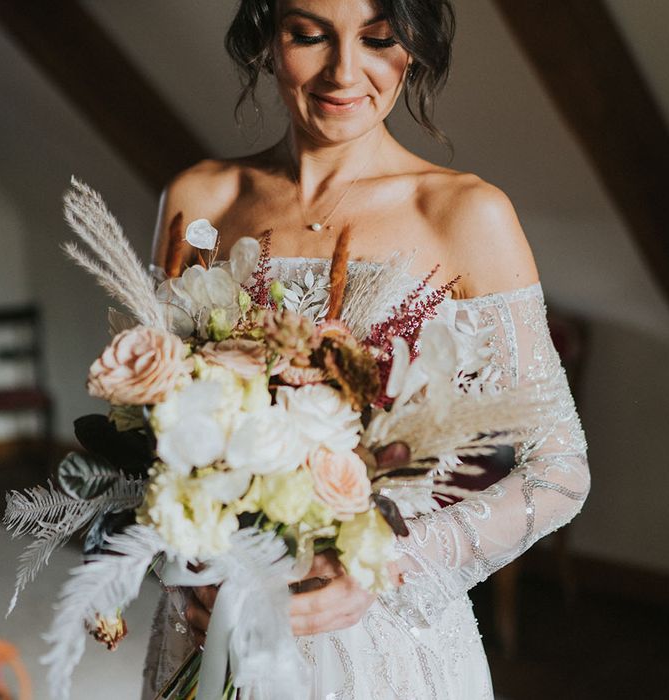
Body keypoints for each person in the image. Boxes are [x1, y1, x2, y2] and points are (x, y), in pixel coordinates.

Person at [144, 0, 591, 697]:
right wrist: (182, 560)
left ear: (411, 49)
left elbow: (558, 470)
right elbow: (152, 427)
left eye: (378, 38)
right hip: (208, 618)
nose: (345, 70)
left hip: (379, 646)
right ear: (267, 37)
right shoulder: (197, 198)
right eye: (309, 34)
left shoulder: (465, 215)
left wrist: (384, 563)